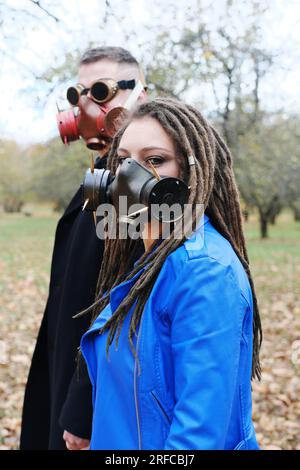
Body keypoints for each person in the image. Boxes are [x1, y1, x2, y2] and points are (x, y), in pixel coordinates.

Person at [80, 97, 263, 450]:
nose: (129, 178)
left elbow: (197, 437)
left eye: (155, 160)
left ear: (191, 173)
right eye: (123, 161)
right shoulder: (147, 258)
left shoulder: (204, 271)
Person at [20, 47, 147, 450]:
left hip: (92, 387)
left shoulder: (138, 181)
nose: (87, 106)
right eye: (78, 94)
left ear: (138, 96)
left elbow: (124, 300)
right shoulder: (102, 174)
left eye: (101, 90)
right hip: (64, 357)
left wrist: (83, 408)